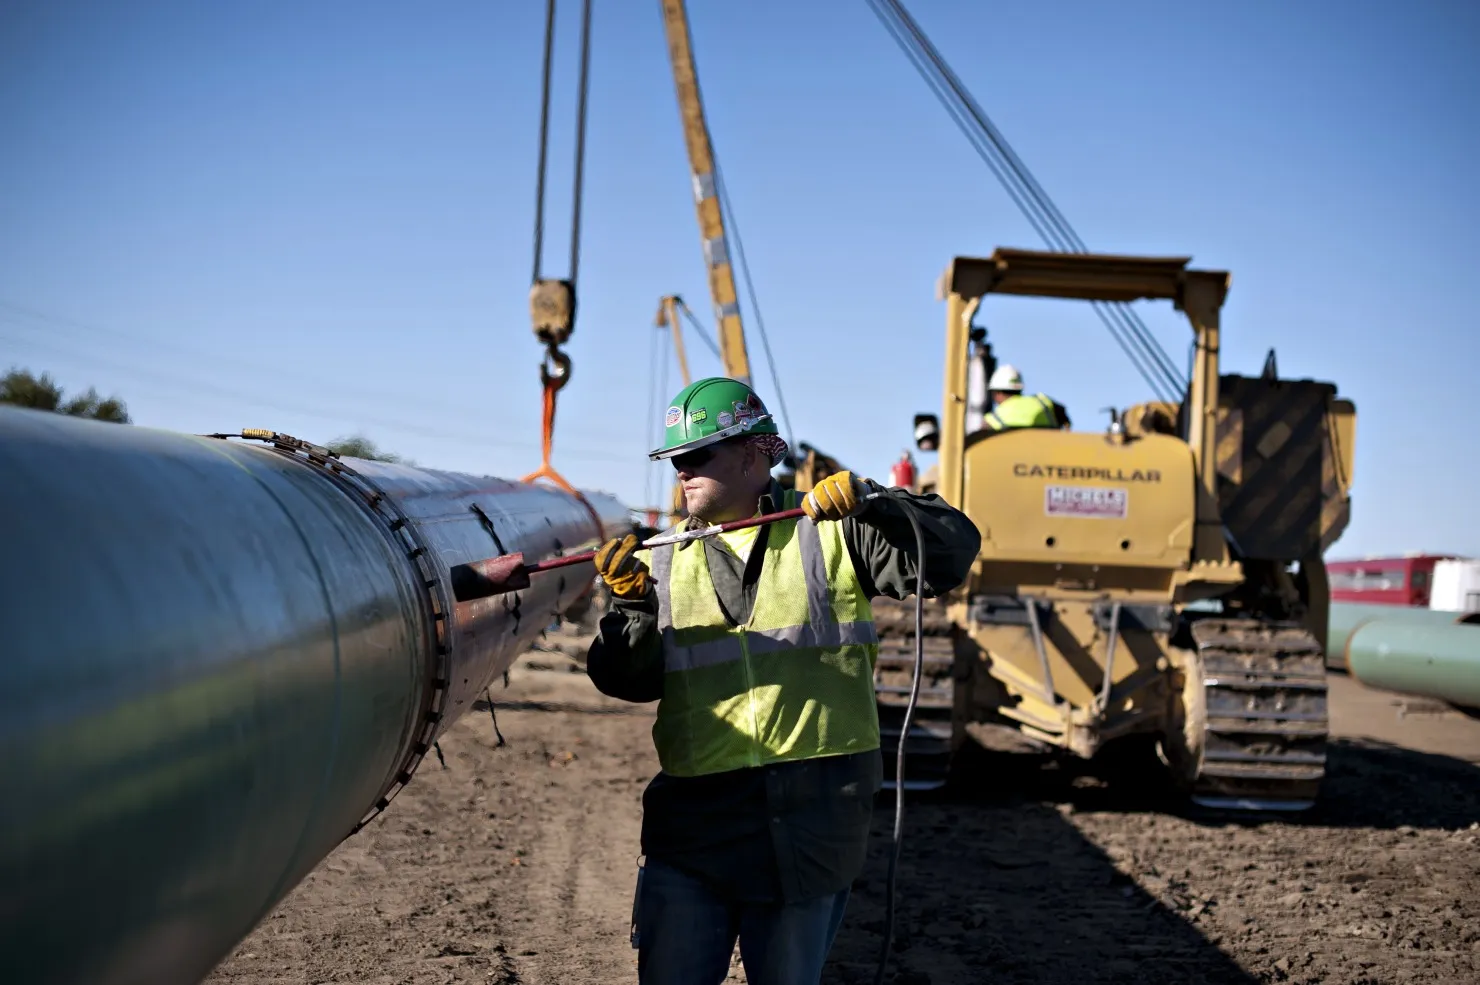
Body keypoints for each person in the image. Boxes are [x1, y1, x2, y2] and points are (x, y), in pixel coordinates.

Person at [586, 376, 980, 985]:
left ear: (751, 455)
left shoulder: (833, 529)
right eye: (674, 461)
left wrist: (880, 500)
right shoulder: (660, 559)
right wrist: (631, 613)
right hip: (695, 828)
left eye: (695, 458)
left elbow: (952, 554)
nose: (680, 474)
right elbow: (627, 682)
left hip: (810, 824)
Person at [981, 363, 1070, 432]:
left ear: (998, 393)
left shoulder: (992, 419)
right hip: (1048, 453)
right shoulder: (1044, 402)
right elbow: (1066, 423)